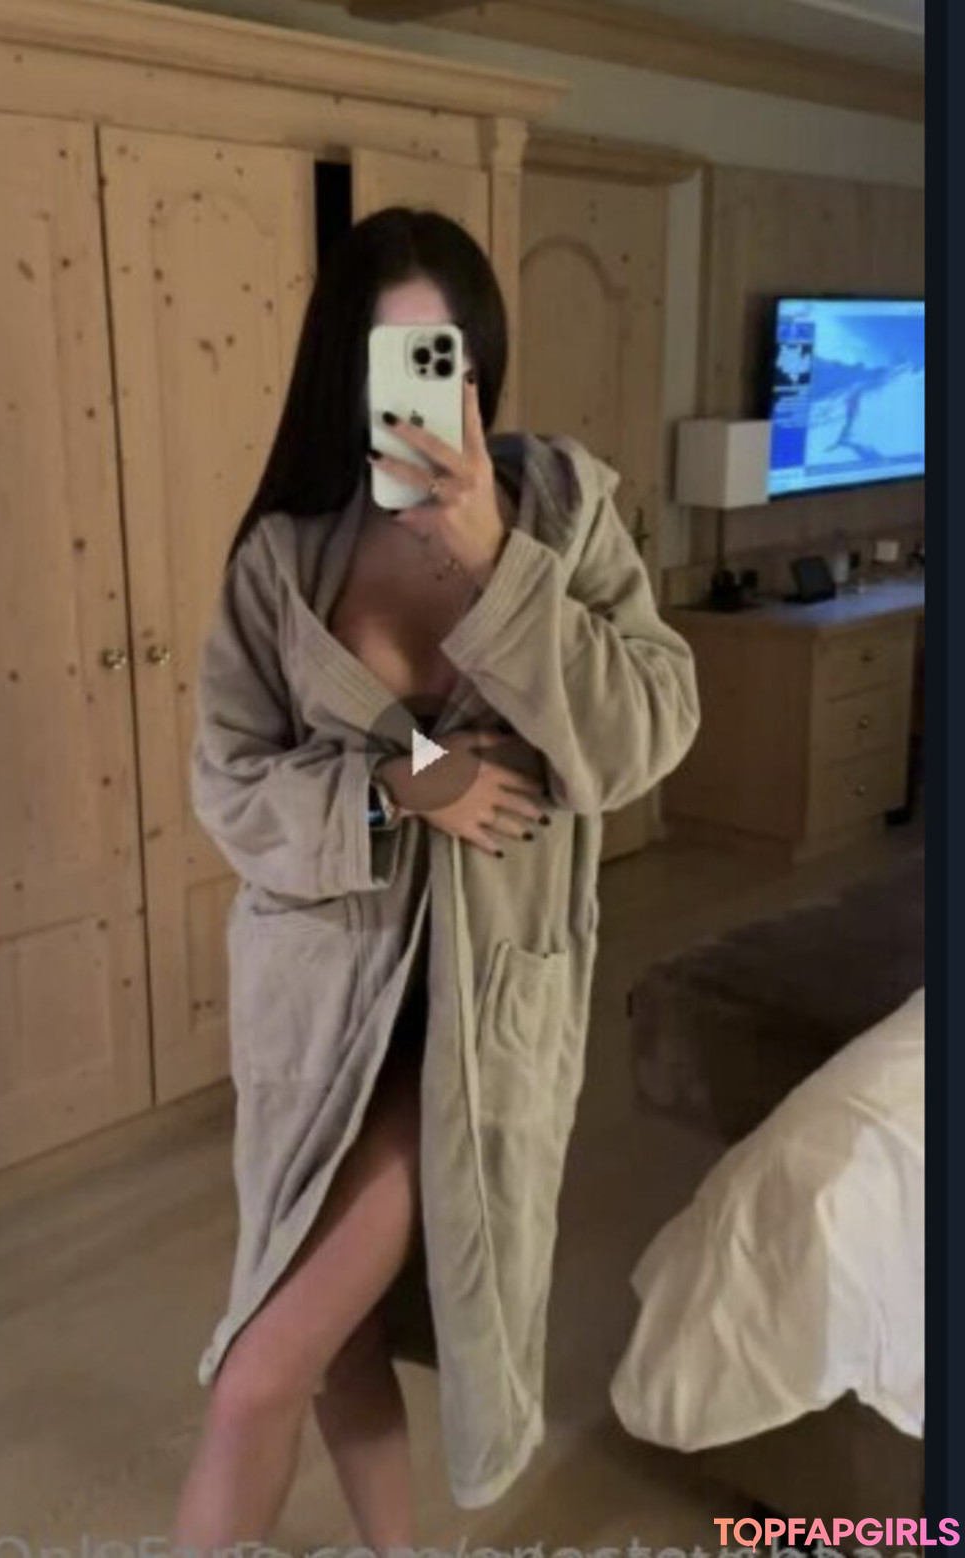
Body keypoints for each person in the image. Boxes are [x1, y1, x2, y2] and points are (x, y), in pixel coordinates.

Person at [174, 207, 700, 1551]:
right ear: (343, 371)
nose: (419, 391)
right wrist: (403, 780)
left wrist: (492, 560)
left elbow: (646, 731)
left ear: (480, 365)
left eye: (442, 356)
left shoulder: (564, 516)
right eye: (388, 358)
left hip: (473, 1021)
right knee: (329, 1347)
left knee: (254, 1375)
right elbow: (232, 779)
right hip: (318, 1011)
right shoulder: (288, 553)